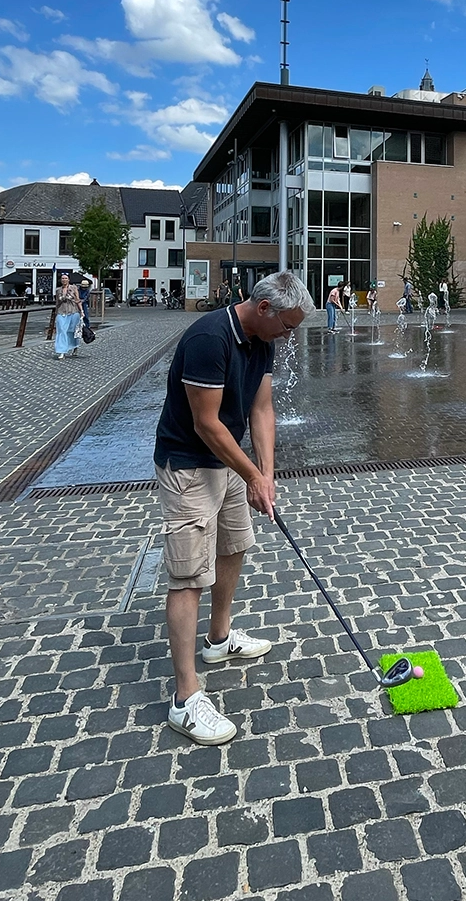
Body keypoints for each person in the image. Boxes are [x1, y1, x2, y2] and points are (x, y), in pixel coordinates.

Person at [155, 270, 314, 744]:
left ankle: (219, 641)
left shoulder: (262, 342)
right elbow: (207, 424)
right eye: (288, 326)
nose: (290, 337)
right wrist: (250, 473)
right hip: (189, 464)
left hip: (228, 463)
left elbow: (261, 409)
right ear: (264, 309)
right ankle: (185, 698)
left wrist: (265, 473)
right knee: (188, 576)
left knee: (233, 547)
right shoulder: (209, 337)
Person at [54, 274, 83, 359]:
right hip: (61, 311)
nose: (64, 280)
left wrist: (81, 311)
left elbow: (78, 300)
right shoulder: (58, 290)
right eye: (62, 278)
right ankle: (62, 351)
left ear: (69, 279)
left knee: (72, 331)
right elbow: (57, 302)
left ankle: (75, 346)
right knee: (61, 331)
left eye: (66, 278)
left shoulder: (73, 288)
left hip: (73, 311)